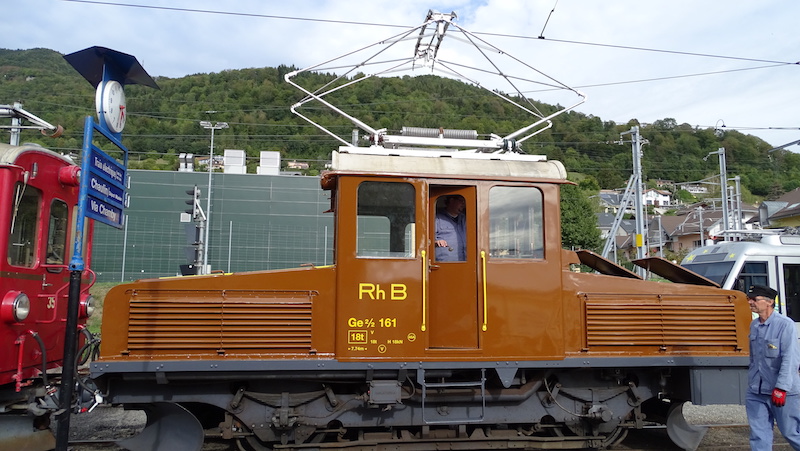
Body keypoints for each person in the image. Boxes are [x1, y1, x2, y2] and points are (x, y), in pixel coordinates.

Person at [745, 284, 800, 451]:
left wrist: (781, 388)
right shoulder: (754, 325)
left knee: (792, 432)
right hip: (756, 391)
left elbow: (790, 359)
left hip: (782, 391)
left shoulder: (785, 325)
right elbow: (754, 359)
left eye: (754, 299)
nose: (750, 303)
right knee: (758, 435)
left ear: (769, 302)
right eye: (749, 299)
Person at [434, 195, 466, 261]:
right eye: (461, 201)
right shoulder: (437, 218)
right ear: (451, 200)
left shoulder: (465, 219)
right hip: (444, 263)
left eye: (464, 201)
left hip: (465, 263)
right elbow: (427, 239)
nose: (463, 204)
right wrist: (436, 241)